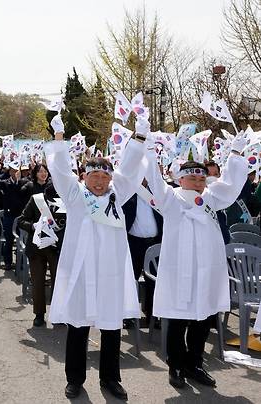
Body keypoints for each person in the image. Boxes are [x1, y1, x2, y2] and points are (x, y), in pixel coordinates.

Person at [46, 114, 149, 400]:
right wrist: (58, 139)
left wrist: (139, 137)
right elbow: (61, 172)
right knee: (78, 327)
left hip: (110, 273)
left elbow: (129, 170)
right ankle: (75, 379)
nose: (100, 182)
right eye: (94, 176)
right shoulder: (75, 196)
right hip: (81, 273)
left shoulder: (118, 196)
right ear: (85, 177)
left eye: (105, 177)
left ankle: (110, 378)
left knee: (111, 328)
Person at [144, 136, 248, 389]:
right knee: (178, 322)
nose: (198, 183)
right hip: (180, 271)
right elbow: (155, 182)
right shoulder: (170, 197)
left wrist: (235, 154)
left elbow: (232, 186)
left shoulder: (211, 198)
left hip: (207, 271)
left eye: (202, 179)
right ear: (181, 179)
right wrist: (147, 149)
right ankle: (176, 367)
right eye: (192, 178)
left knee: (203, 320)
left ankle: (195, 364)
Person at [18, 164, 64, 327]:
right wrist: (33, 226)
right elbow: (21, 220)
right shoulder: (35, 200)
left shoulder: (64, 202)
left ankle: (58, 314)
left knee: (58, 282)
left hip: (56, 248)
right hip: (36, 247)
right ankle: (39, 314)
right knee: (38, 282)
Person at [122, 179, 163, 327]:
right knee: (131, 280)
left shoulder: (158, 192)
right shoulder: (127, 193)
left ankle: (153, 315)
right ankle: (128, 315)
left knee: (154, 281)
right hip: (133, 242)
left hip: (155, 243)